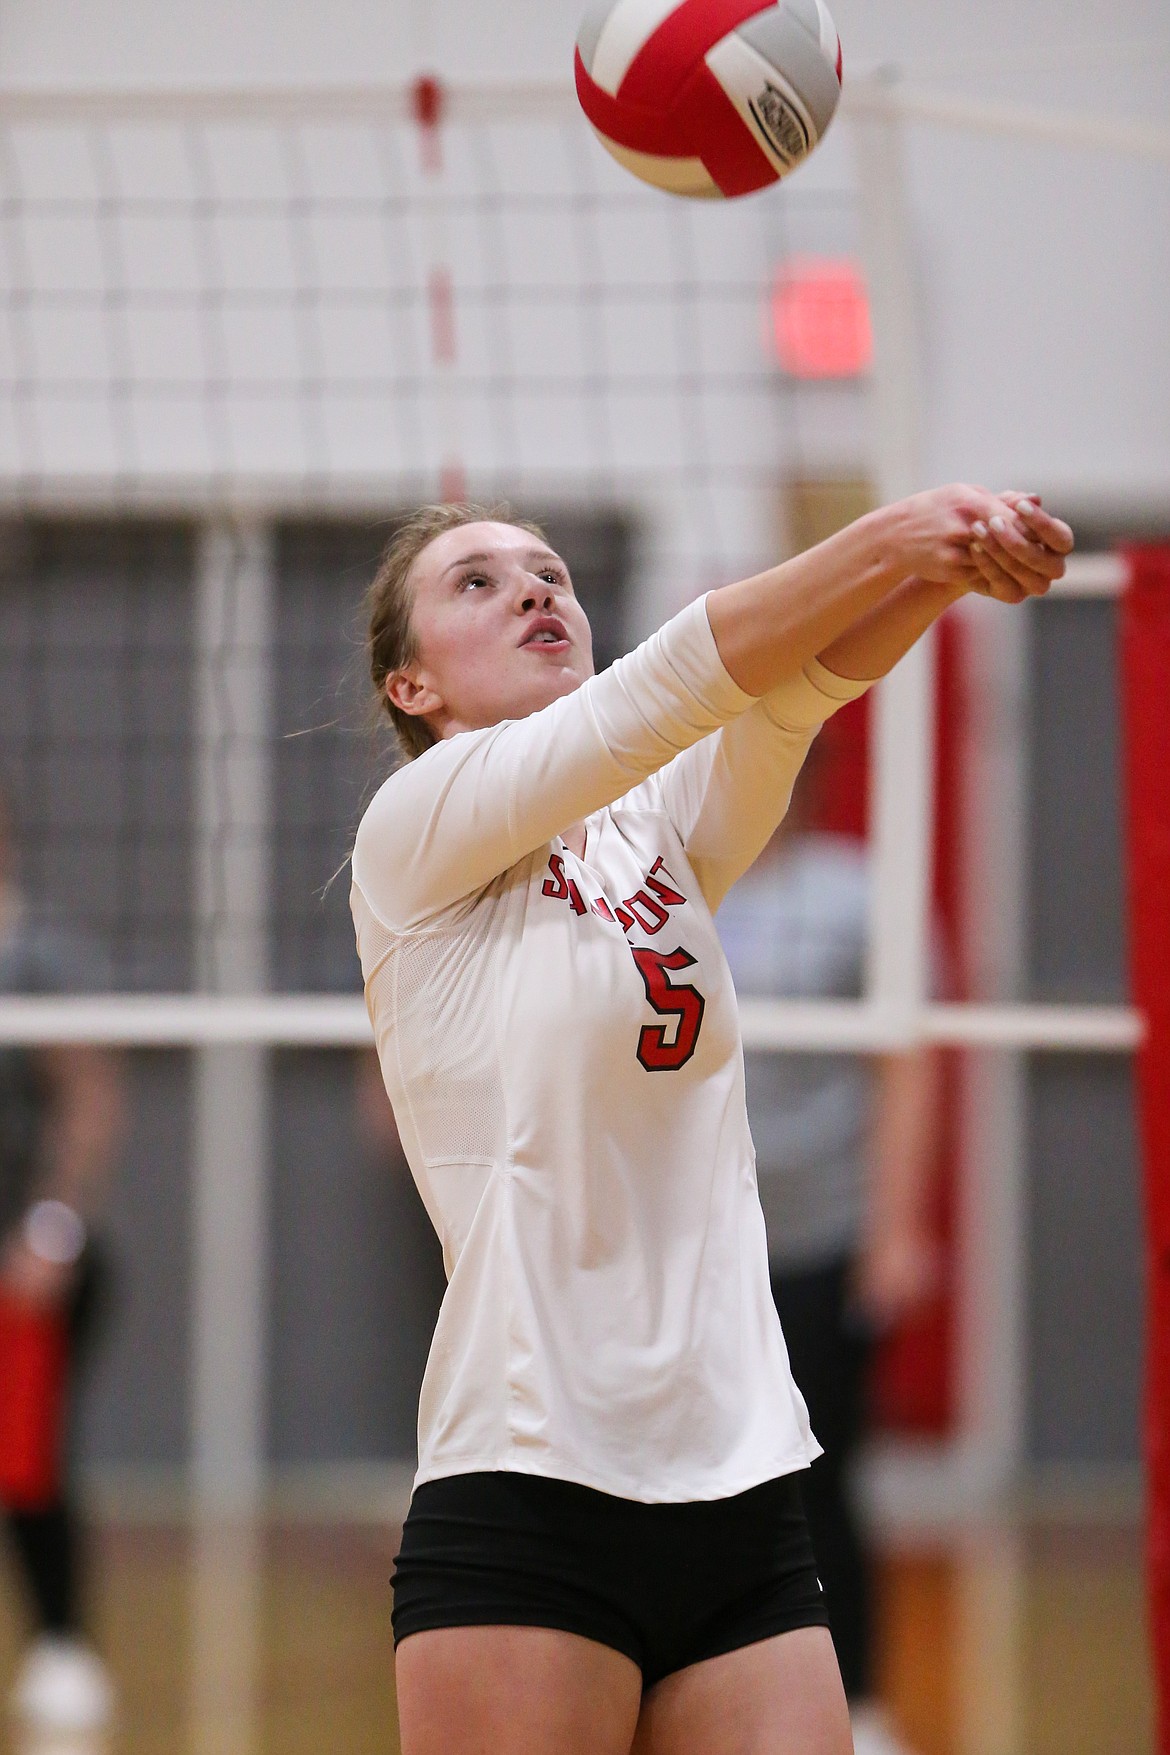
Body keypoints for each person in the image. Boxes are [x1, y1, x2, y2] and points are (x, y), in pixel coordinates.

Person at [349, 488, 1071, 1755]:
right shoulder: (415, 833)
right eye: (477, 582)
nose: (535, 589)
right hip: (532, 1487)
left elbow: (789, 693)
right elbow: (674, 681)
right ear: (413, 689)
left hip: (740, 1483)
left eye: (550, 572)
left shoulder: (648, 835)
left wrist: (948, 569)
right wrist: (895, 533)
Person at [717, 747, 943, 1755]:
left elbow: (909, 1068)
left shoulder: (857, 898)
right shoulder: (672, 895)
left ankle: (860, 1709)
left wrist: (895, 1233)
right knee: (693, 1492)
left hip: (820, 1239)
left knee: (820, 1481)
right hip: (697, 1254)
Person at [0, 795, 125, 1737]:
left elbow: (88, 1098)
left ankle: (63, 1646)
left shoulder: (35, 955)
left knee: (25, 1458)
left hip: (27, 1261)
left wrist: (50, 1229)